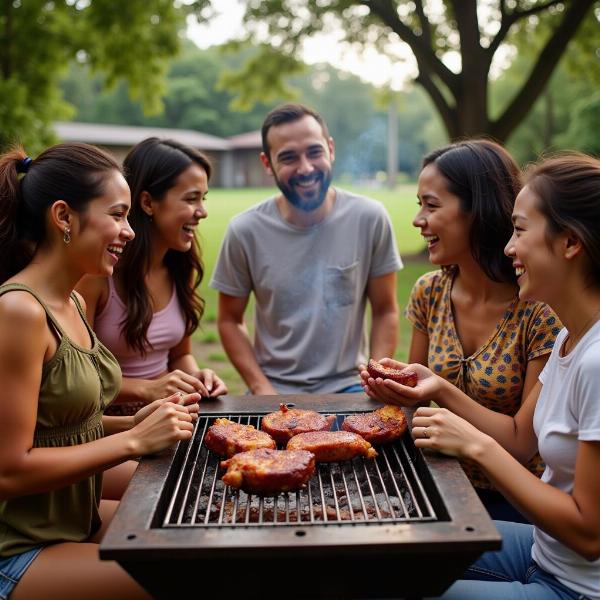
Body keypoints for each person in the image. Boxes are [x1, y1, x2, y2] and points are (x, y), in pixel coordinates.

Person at [364, 153, 600, 599]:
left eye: (522, 231)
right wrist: (433, 389)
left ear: (569, 242)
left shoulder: (595, 359)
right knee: (373, 558)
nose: (509, 247)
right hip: (543, 553)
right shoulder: (572, 336)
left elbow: (590, 536)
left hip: (578, 586)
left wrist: (475, 444)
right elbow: (523, 438)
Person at [0, 142, 200, 600]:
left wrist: (132, 422)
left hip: (75, 519)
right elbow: (8, 470)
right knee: (180, 578)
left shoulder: (69, 300)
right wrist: (131, 442)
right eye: (117, 214)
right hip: (20, 546)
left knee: (190, 533)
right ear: (64, 217)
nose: (129, 232)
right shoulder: (19, 312)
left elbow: (58, 426)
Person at [365, 140, 561, 523]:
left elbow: (522, 442)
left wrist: (439, 387)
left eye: (431, 205)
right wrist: (392, 388)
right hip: (443, 481)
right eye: (419, 204)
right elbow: (413, 405)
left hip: (516, 502)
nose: (418, 219)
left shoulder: (539, 309)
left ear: (478, 211)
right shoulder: (429, 291)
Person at [210, 103, 402, 395]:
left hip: (350, 384)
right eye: (288, 157)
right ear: (267, 163)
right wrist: (261, 388)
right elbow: (229, 320)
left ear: (331, 149)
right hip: (274, 387)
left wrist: (374, 381)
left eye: (314, 152)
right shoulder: (245, 230)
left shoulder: (369, 218)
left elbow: (386, 310)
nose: (306, 168)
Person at [77, 138, 227, 416]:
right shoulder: (98, 274)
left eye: (202, 199)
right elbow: (75, 379)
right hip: (109, 431)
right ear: (147, 202)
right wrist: (148, 388)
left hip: (168, 420)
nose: (202, 212)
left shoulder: (180, 266)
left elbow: (179, 355)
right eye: (191, 198)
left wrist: (197, 378)